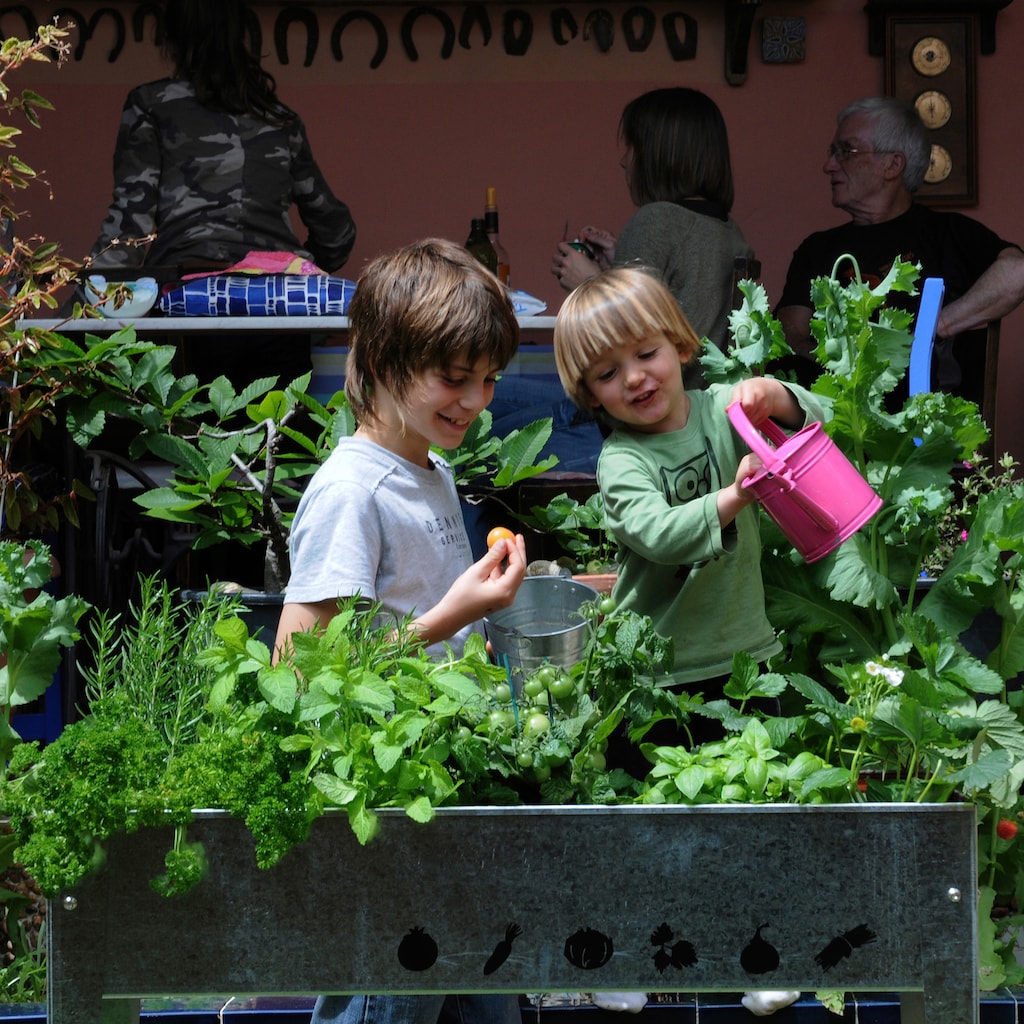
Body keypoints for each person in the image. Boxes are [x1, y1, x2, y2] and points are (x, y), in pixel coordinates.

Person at [552, 266, 821, 1018]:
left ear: (678, 342)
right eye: (608, 373)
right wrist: (741, 493)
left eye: (646, 354)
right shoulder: (621, 462)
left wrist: (778, 397)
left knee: (752, 818)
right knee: (642, 823)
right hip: (655, 674)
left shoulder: (718, 411)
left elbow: (812, 421)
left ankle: (761, 955)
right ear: (589, 394)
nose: (634, 379)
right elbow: (662, 535)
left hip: (743, 661)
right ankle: (614, 957)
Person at [273, 238, 527, 1024]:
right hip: (386, 801)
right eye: (454, 379)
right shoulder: (351, 492)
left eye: (487, 380)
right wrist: (449, 618)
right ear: (383, 362)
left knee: (477, 981)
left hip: (445, 783)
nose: (475, 400)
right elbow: (302, 667)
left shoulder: (429, 466)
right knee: (392, 986)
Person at [88, 0, 356, 385]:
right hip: (278, 309)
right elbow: (336, 230)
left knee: (189, 437)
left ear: (173, 39)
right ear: (241, 36)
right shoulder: (279, 119)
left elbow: (131, 222)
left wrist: (86, 301)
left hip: (190, 303)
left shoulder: (151, 106)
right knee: (276, 437)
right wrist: (294, 264)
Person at [775, 96, 1024, 408]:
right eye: (832, 152)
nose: (829, 166)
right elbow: (789, 330)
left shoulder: (948, 234)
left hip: (922, 428)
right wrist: (845, 366)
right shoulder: (818, 248)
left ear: (891, 165)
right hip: (831, 420)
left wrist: (934, 328)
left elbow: (1017, 271)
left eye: (846, 152)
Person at [550, 87, 755, 373]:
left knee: (505, 391)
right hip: (699, 405)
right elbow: (675, 303)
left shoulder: (655, 221)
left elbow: (624, 342)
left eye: (632, 146)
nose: (624, 160)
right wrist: (618, 265)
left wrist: (590, 284)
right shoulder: (729, 230)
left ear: (658, 155)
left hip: (643, 409)